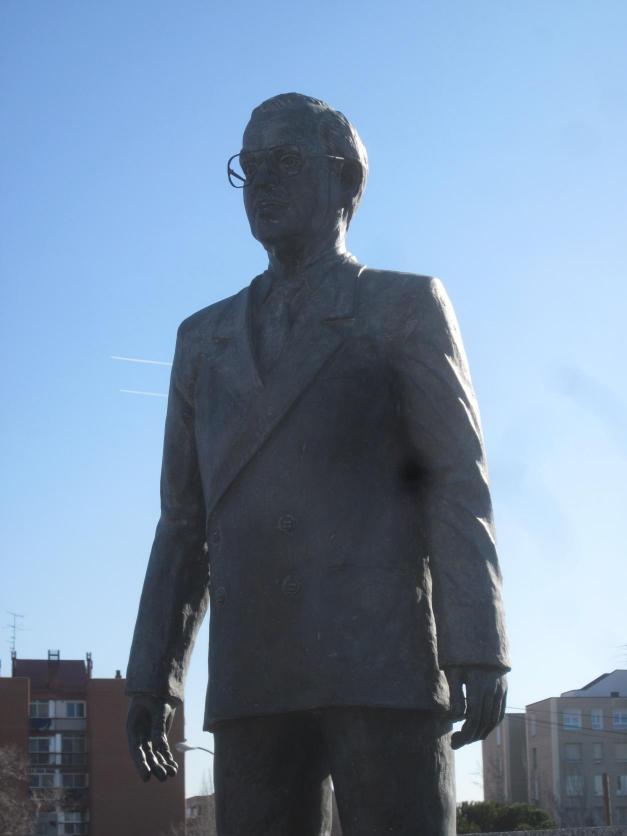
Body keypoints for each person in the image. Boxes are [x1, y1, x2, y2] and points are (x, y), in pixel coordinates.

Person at [126, 93, 510, 836]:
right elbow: (181, 522)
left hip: (383, 661)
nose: (262, 182)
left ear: (345, 180)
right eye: (251, 166)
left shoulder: (401, 306)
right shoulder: (202, 340)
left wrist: (477, 643)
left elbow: (455, 481)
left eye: (285, 161)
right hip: (252, 673)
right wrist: (154, 674)